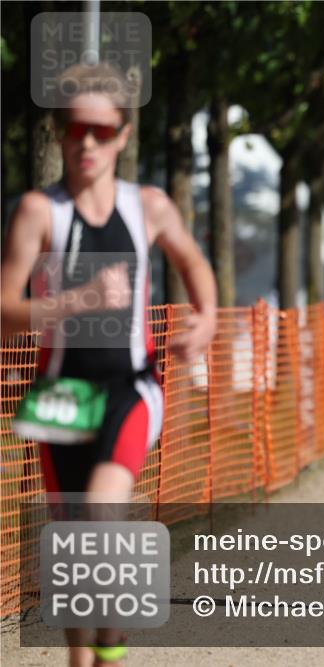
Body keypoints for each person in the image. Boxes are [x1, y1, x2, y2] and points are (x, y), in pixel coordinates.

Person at [1, 63, 217, 666]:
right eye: (75, 129)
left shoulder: (147, 205)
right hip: (60, 396)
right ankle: (83, 657)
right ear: (58, 131)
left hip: (131, 388)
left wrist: (208, 316)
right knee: (71, 540)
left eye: (101, 130)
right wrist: (76, 300)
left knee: (101, 511)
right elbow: (4, 312)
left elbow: (193, 263)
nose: (87, 142)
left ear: (123, 134)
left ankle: (112, 642)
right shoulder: (39, 212)